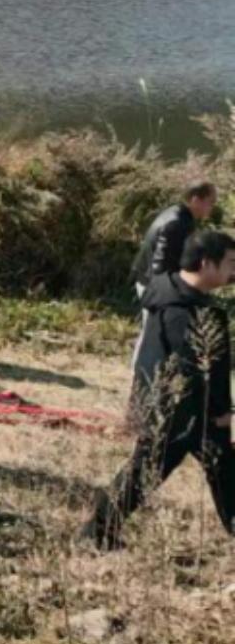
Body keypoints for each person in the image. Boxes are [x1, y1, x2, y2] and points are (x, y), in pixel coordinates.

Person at [85, 230, 235, 550]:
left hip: (171, 405)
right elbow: (196, 371)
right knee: (144, 474)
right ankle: (95, 532)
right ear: (207, 264)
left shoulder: (169, 291)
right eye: (231, 263)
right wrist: (220, 411)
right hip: (182, 410)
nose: (234, 270)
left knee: (221, 470)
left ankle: (96, 532)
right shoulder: (186, 311)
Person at [128, 183, 219, 418]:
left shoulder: (179, 216)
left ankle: (145, 393)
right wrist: (167, 295)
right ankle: (141, 394)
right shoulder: (176, 222)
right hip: (155, 287)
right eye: (211, 201)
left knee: (151, 339)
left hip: (154, 284)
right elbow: (160, 264)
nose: (212, 207)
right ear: (196, 199)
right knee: (152, 341)